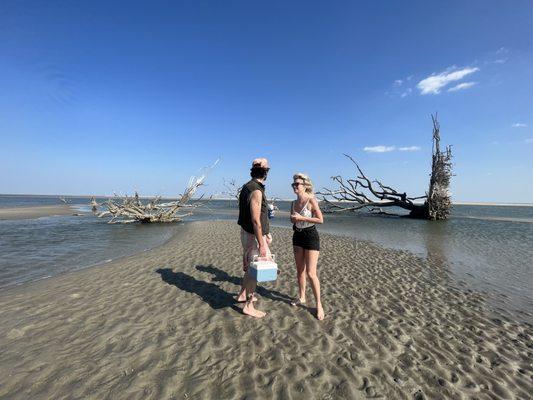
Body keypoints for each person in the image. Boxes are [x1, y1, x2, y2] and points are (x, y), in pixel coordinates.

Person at [236, 158, 273, 318]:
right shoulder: (256, 190)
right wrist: (262, 243)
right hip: (253, 236)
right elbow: (256, 220)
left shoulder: (247, 187)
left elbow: (259, 219)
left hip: (248, 233)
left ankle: (242, 295)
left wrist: (266, 232)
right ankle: (249, 306)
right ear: (266, 172)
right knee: (255, 270)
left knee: (251, 267)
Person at [290, 173, 325, 320]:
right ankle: (302, 297)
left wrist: (302, 218)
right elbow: (292, 220)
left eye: (297, 184)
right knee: (300, 271)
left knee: (311, 273)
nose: (295, 186)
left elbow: (320, 219)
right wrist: (293, 219)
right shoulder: (293, 203)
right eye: (293, 184)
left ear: (305, 186)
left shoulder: (311, 200)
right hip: (297, 236)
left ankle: (319, 305)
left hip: (311, 236)